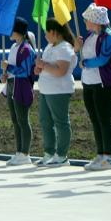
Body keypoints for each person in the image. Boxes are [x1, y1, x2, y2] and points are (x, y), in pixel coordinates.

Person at [76, 4, 111, 171]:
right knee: (95, 119)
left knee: (104, 119)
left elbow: (102, 59)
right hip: (89, 83)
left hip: (104, 83)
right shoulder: (89, 36)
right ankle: (100, 154)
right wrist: (77, 47)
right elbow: (80, 54)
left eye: (87, 19)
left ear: (95, 21)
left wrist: (86, 63)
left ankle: (108, 157)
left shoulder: (108, 36)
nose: (85, 22)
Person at [34, 19, 76, 167]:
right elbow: (47, 67)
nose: (45, 35)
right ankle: (49, 153)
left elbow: (61, 71)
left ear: (53, 32)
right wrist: (39, 68)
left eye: (46, 32)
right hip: (46, 90)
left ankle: (62, 155)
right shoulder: (50, 46)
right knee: (46, 122)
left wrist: (43, 65)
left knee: (61, 122)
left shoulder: (64, 48)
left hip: (58, 90)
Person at [0, 17, 36, 166]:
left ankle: (25, 153)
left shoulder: (27, 49)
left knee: (22, 120)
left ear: (19, 32)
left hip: (22, 86)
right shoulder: (15, 47)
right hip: (11, 85)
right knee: (15, 120)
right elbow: (13, 69)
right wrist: (5, 75)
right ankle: (18, 151)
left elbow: (25, 71)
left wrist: (9, 68)